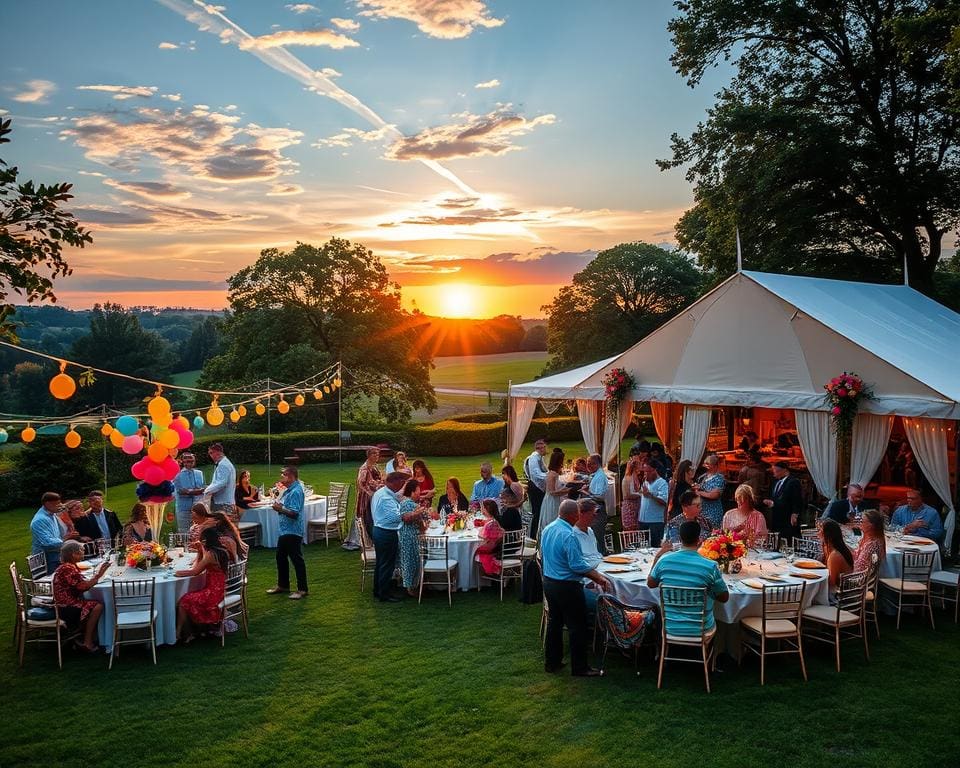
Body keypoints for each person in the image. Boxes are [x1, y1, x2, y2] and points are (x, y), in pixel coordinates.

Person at [541, 499, 611, 677]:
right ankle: (580, 667)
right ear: (573, 515)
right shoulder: (569, 535)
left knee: (554, 623)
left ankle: (552, 662)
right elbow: (577, 565)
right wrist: (599, 578)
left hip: (549, 582)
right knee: (577, 626)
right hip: (567, 586)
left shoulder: (548, 529)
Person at [647, 521, 730, 637]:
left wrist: (658, 556)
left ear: (680, 538)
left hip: (670, 627)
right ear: (699, 540)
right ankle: (712, 652)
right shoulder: (710, 566)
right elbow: (724, 597)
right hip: (701, 630)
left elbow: (650, 583)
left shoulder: (664, 561)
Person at [52, 540, 110, 653]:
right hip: (66, 606)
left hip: (64, 602)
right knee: (98, 606)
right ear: (74, 554)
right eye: (81, 551)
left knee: (93, 602)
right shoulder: (67, 568)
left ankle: (87, 636)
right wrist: (99, 575)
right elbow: (83, 587)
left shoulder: (67, 566)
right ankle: (87, 642)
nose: (83, 553)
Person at [175, 527, 228, 642]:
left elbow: (195, 572)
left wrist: (177, 573)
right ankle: (191, 631)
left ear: (206, 540)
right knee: (187, 599)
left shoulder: (210, 554)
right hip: (222, 589)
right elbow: (198, 566)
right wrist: (200, 551)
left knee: (184, 600)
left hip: (213, 594)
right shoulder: (222, 550)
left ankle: (179, 632)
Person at [266, 466, 308, 599]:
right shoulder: (290, 490)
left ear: (291, 476)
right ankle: (283, 585)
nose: (281, 477)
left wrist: (280, 509)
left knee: (296, 559)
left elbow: (294, 513)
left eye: (284, 475)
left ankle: (302, 589)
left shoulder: (296, 491)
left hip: (292, 530)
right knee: (280, 557)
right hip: (285, 530)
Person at [371, 472, 410, 603]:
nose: (402, 485)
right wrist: (412, 514)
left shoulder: (382, 492)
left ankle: (378, 590)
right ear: (395, 482)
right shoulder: (386, 498)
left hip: (378, 530)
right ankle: (385, 594)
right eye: (401, 482)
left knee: (381, 563)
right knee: (387, 564)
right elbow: (396, 517)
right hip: (386, 533)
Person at [571, 498, 604, 618]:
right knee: (611, 600)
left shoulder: (590, 530)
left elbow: (595, 554)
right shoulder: (572, 535)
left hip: (599, 572)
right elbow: (578, 565)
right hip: (587, 581)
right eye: (593, 513)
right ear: (582, 514)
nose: (595, 516)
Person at [397, 478, 427, 596]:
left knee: (415, 561)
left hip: (416, 537)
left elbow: (420, 524)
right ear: (412, 492)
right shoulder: (405, 504)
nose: (420, 493)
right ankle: (409, 587)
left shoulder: (415, 505)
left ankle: (416, 584)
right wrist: (417, 514)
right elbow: (406, 518)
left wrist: (421, 522)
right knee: (409, 561)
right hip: (408, 537)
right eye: (418, 490)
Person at [763, 461, 803, 541]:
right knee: (776, 538)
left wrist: (795, 513)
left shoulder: (793, 482)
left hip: (787, 517)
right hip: (776, 516)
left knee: (786, 539)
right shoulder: (775, 482)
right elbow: (774, 496)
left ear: (784, 470)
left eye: (775, 470)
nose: (774, 472)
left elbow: (797, 499)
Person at [581, 453, 611, 555]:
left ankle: (601, 558)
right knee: (593, 537)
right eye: (587, 463)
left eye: (591, 464)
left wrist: (585, 492)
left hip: (598, 510)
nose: (588, 466)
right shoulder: (595, 475)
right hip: (593, 510)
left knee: (598, 538)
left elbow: (599, 496)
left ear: (597, 464)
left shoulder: (600, 476)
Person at [637, 460, 669, 546]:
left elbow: (664, 501)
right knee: (642, 547)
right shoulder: (645, 482)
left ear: (655, 470)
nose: (645, 474)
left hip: (655, 522)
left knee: (655, 547)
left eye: (648, 472)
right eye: (644, 472)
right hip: (642, 521)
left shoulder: (662, 483)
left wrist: (651, 495)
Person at [31, 492, 65, 574]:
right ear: (48, 504)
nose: (60, 505)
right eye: (57, 504)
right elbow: (47, 542)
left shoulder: (52, 514)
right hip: (45, 559)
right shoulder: (39, 520)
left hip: (55, 553)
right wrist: (65, 540)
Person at [538, 449, 569, 537]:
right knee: (552, 520)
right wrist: (567, 491)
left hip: (552, 499)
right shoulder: (553, 474)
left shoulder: (553, 473)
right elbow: (552, 492)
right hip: (551, 501)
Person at [172, 453, 205, 534]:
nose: (189, 463)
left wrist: (194, 491)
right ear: (183, 462)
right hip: (183, 508)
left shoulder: (199, 473)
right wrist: (198, 491)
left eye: (191, 461)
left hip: (198, 508)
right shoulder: (177, 475)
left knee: (198, 531)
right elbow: (181, 491)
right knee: (184, 532)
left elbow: (202, 486)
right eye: (187, 461)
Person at [354, 447, 383, 541]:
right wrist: (372, 491)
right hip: (367, 497)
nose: (376, 456)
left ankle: (376, 537)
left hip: (375, 495)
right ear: (369, 455)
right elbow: (361, 484)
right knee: (368, 518)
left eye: (378, 454)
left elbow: (378, 479)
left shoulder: (374, 466)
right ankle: (369, 539)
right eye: (374, 454)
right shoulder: (364, 469)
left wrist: (381, 483)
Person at [204, 443, 237, 521]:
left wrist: (206, 490)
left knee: (222, 529)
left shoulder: (223, 465)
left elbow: (221, 483)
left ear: (218, 452)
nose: (210, 456)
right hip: (226, 502)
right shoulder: (226, 463)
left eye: (211, 453)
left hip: (222, 503)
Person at [523, 439, 549, 538]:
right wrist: (549, 475)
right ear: (538, 448)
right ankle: (533, 535)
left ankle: (537, 533)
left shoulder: (539, 457)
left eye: (544, 447)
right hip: (535, 488)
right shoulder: (534, 458)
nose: (544, 449)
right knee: (537, 512)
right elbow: (536, 474)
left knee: (539, 511)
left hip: (537, 487)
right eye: (543, 447)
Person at [820, 519, 854, 591]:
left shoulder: (835, 556)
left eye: (821, 531)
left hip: (840, 596)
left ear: (828, 536)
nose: (818, 534)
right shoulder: (839, 548)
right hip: (842, 589)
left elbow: (831, 583)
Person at [695, 454, 725, 531]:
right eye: (705, 463)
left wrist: (700, 492)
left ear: (715, 465)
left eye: (708, 464)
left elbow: (714, 495)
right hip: (701, 512)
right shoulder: (703, 476)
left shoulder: (719, 478)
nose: (705, 466)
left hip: (713, 513)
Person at [475, 499, 505, 576]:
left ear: (485, 510)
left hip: (489, 550)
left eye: (482, 508)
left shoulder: (490, 525)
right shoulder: (494, 521)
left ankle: (474, 576)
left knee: (472, 550)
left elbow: (482, 537)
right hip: (496, 547)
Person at [620, 456, 642, 531]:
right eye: (639, 464)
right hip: (630, 508)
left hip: (636, 507)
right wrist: (641, 495)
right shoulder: (628, 478)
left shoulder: (636, 476)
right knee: (630, 530)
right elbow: (627, 495)